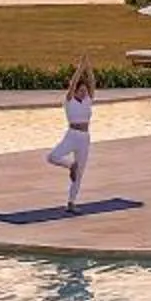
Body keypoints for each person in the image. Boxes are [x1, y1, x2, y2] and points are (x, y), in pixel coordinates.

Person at [45, 61, 95, 210]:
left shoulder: (88, 100)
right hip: (72, 135)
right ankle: (70, 165)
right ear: (75, 91)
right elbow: (72, 84)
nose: (84, 92)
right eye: (81, 90)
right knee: (52, 156)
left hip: (85, 138)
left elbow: (93, 83)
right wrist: (80, 69)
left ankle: (71, 202)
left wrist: (89, 68)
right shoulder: (69, 101)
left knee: (80, 173)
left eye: (85, 90)